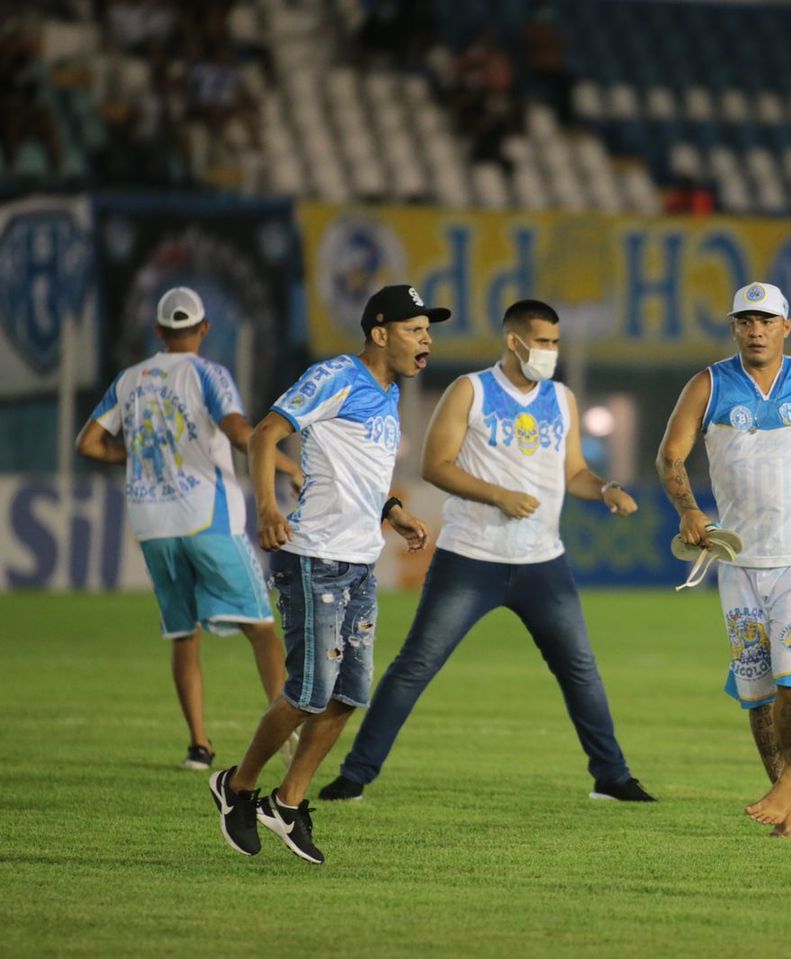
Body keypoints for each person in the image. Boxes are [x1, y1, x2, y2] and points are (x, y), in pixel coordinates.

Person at [317, 299, 655, 805]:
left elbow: (574, 472)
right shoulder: (470, 391)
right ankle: (356, 775)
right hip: (470, 559)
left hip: (543, 562)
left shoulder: (562, 398)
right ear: (514, 342)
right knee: (416, 665)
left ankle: (612, 776)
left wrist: (605, 488)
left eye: (555, 343)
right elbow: (436, 465)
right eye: (541, 342)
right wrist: (498, 494)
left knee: (579, 668)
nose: (550, 352)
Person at [207, 284, 438, 864]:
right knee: (309, 692)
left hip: (360, 561)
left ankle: (287, 803)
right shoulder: (337, 375)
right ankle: (236, 787)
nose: (426, 338)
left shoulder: (386, 395)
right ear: (380, 333)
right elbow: (264, 434)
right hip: (313, 558)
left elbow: (357, 473)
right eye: (415, 329)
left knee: (349, 696)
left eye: (428, 329)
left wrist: (393, 513)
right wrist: (265, 507)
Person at [656, 281, 791, 837]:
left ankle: (788, 784)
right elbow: (671, 455)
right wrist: (688, 509)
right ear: (734, 327)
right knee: (756, 693)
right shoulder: (708, 384)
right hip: (738, 561)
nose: (755, 330)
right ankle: (787, 796)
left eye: (765, 321)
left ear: (786, 327)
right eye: (745, 321)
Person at [76, 286, 302, 770]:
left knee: (184, 634)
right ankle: (288, 741)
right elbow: (242, 433)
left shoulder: (129, 379)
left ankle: (199, 747)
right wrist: (286, 466)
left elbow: (89, 444)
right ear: (203, 329)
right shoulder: (209, 374)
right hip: (207, 516)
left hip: (152, 521)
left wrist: (130, 456)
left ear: (158, 331)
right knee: (262, 629)